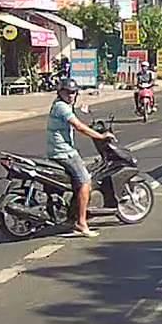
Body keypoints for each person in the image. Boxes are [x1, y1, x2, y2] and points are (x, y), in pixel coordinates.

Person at [49, 78, 112, 238]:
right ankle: (81, 223)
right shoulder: (62, 107)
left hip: (57, 150)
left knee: (76, 182)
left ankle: (71, 215)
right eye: (68, 92)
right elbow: (78, 126)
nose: (71, 95)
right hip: (64, 152)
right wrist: (100, 136)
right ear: (60, 92)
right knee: (85, 182)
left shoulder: (60, 105)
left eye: (74, 92)